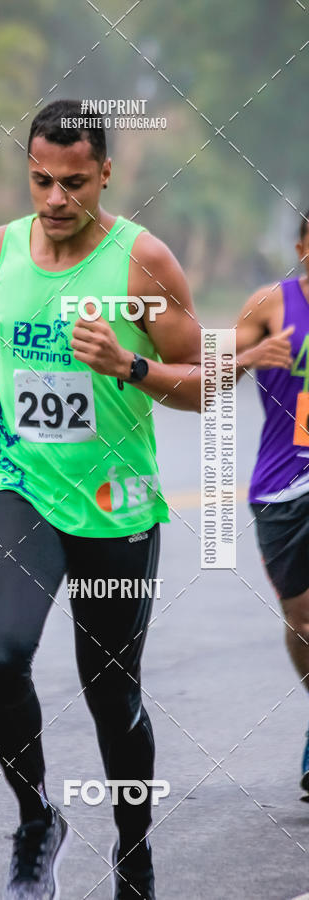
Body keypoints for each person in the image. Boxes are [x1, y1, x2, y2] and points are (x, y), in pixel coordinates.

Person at [0, 98, 201, 900]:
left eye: (73, 183)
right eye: (40, 181)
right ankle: (36, 821)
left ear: (105, 175)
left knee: (110, 693)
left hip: (115, 505)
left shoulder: (143, 263)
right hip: (17, 480)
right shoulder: (1, 247)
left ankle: (135, 852)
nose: (55, 200)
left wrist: (129, 365)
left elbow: (206, 383)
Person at [235, 210, 309, 794]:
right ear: (303, 247)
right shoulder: (270, 305)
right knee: (303, 620)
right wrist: (247, 359)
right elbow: (206, 376)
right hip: (284, 486)